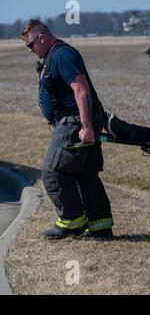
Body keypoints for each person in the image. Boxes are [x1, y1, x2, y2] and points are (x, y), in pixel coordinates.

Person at [21, 19, 113, 240]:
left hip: (74, 121)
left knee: (53, 172)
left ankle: (71, 221)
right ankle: (101, 227)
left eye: (31, 45)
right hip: (74, 120)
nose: (30, 51)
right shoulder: (53, 55)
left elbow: (81, 89)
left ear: (41, 37)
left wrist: (86, 125)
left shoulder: (62, 55)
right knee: (85, 173)